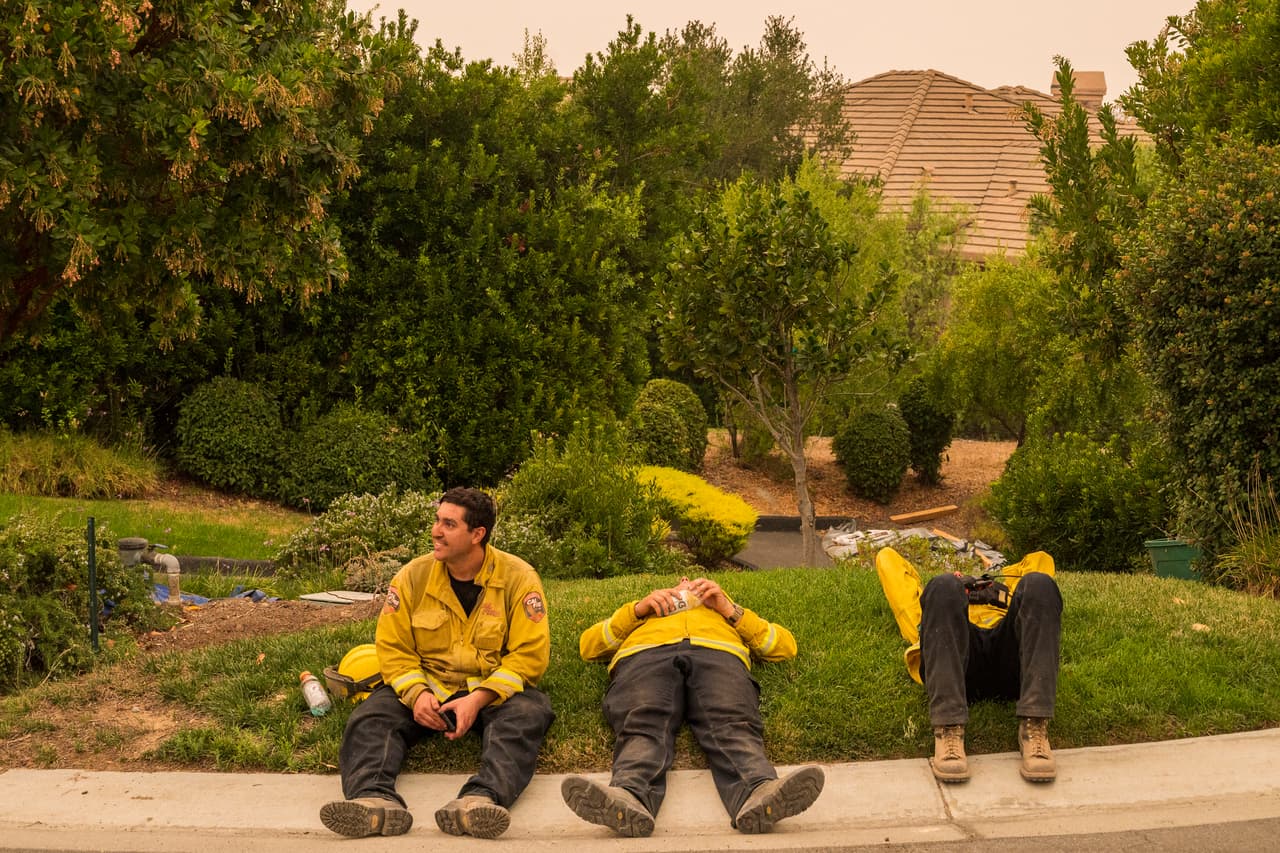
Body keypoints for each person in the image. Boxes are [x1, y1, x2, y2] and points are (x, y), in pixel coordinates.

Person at [320, 487, 554, 839]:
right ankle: (373, 801)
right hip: (428, 685)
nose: (436, 531)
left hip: (488, 690)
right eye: (437, 520)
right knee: (372, 717)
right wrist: (416, 694)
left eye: (449, 524)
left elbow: (530, 655)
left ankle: (479, 801)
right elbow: (393, 647)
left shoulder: (519, 578)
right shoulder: (412, 577)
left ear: (478, 534)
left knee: (528, 715)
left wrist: (478, 700)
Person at [561, 576, 824, 837]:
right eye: (680, 580)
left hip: (717, 654)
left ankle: (758, 790)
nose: (687, 581)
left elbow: (784, 647)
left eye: (695, 580)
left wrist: (728, 609)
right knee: (644, 717)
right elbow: (589, 646)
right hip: (646, 656)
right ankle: (629, 795)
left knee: (730, 718)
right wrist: (639, 609)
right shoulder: (643, 615)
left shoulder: (725, 613)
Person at [875, 547, 1061, 784]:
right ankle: (948, 730)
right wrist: (956, 583)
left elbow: (1040, 561)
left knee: (1040, 584)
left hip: (1012, 662)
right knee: (941, 585)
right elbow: (888, 558)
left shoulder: (1010, 601)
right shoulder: (939, 606)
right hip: (957, 667)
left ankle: (1034, 728)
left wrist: (995, 586)